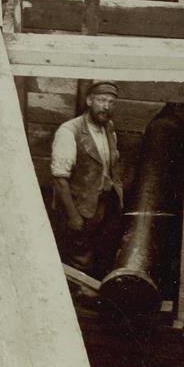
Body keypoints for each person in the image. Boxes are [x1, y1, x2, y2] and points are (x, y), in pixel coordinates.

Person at [50, 81, 127, 270]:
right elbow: (60, 179)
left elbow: (109, 167)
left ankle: (93, 293)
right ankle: (79, 296)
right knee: (79, 257)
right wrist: (73, 216)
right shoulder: (69, 131)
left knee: (99, 254)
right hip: (78, 208)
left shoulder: (109, 128)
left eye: (111, 102)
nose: (106, 106)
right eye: (101, 100)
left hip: (101, 205)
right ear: (89, 101)